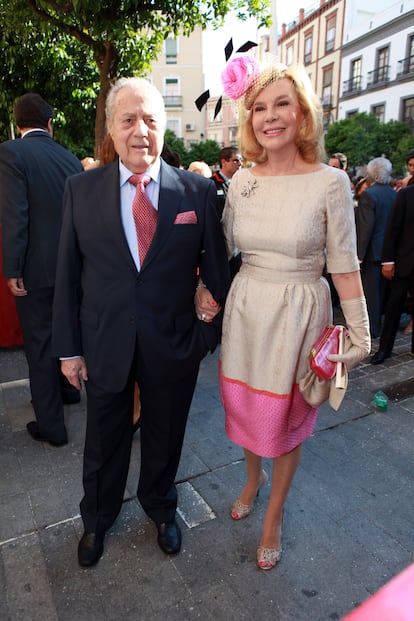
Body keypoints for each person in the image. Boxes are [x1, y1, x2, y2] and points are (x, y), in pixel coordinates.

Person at [51, 77, 230, 567]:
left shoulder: (196, 191)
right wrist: (68, 349)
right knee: (103, 442)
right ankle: (97, 520)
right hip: (105, 343)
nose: (140, 130)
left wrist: (203, 338)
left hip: (173, 347)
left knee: (165, 437)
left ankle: (161, 507)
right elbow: (67, 275)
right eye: (128, 119)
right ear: (110, 128)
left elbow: (217, 271)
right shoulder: (80, 190)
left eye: (150, 119)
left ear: (164, 126)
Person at [214, 56, 370, 570]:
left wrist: (360, 335)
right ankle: (253, 478)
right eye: (259, 107)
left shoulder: (330, 182)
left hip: (301, 312)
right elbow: (222, 250)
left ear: (303, 114)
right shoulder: (240, 182)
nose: (270, 116)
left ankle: (273, 513)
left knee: (283, 420)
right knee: (250, 413)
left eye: (282, 103)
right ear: (250, 119)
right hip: (247, 309)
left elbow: (344, 267)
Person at [0, 93, 83, 446]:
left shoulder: (10, 152)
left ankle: (52, 427)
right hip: (71, 267)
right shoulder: (70, 160)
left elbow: (15, 215)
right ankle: (69, 392)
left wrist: (12, 266)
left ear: (18, 124)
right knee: (65, 331)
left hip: (34, 268)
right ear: (50, 124)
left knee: (38, 344)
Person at [370, 184, 414, 363]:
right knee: (393, 307)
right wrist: (388, 260)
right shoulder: (406, 194)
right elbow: (393, 228)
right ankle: (384, 349)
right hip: (404, 262)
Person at [355, 157, 397, 338]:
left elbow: (366, 228)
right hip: (391, 251)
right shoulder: (394, 194)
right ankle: (382, 325)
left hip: (373, 252)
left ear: (370, 174)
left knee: (371, 295)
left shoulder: (368, 195)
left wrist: (358, 256)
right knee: (384, 293)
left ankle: (373, 329)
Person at [211, 146, 243, 219]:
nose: (240, 164)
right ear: (224, 162)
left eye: (241, 160)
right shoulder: (211, 184)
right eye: (236, 160)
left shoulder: (243, 183)